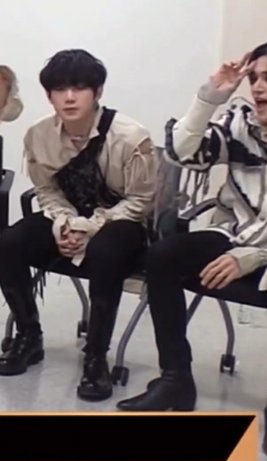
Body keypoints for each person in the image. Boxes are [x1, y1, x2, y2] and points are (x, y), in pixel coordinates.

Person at [116, 40, 267, 461]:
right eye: (254, 79)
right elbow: (181, 152)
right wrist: (210, 96)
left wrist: (255, 257)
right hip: (237, 234)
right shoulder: (240, 124)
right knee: (163, 255)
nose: (257, 88)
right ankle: (175, 379)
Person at [0, 49, 157, 401]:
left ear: (97, 92)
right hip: (69, 216)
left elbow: (140, 202)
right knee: (8, 242)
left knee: (105, 251)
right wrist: (65, 223)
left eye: (80, 87)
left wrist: (90, 227)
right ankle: (28, 335)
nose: (69, 97)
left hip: (120, 223)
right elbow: (47, 190)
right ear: (49, 96)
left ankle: (96, 357)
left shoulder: (131, 136)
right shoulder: (39, 135)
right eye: (60, 89)